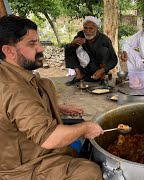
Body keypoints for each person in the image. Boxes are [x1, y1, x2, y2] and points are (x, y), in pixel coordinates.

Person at [0, 15, 104, 179]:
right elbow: (48, 138)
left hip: (31, 150)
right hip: (24, 168)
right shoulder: (14, 89)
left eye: (38, 41)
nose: (41, 48)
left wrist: (59, 108)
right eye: (32, 44)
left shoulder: (10, 73)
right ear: (9, 51)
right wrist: (85, 128)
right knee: (90, 171)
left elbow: (19, 110)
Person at [65, 16, 117, 86]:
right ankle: (78, 76)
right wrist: (73, 44)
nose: (87, 31)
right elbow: (70, 51)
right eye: (85, 28)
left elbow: (114, 59)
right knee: (69, 47)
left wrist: (102, 70)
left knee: (103, 50)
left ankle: (102, 78)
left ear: (97, 29)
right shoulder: (80, 35)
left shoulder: (104, 39)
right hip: (84, 67)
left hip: (98, 68)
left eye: (91, 28)